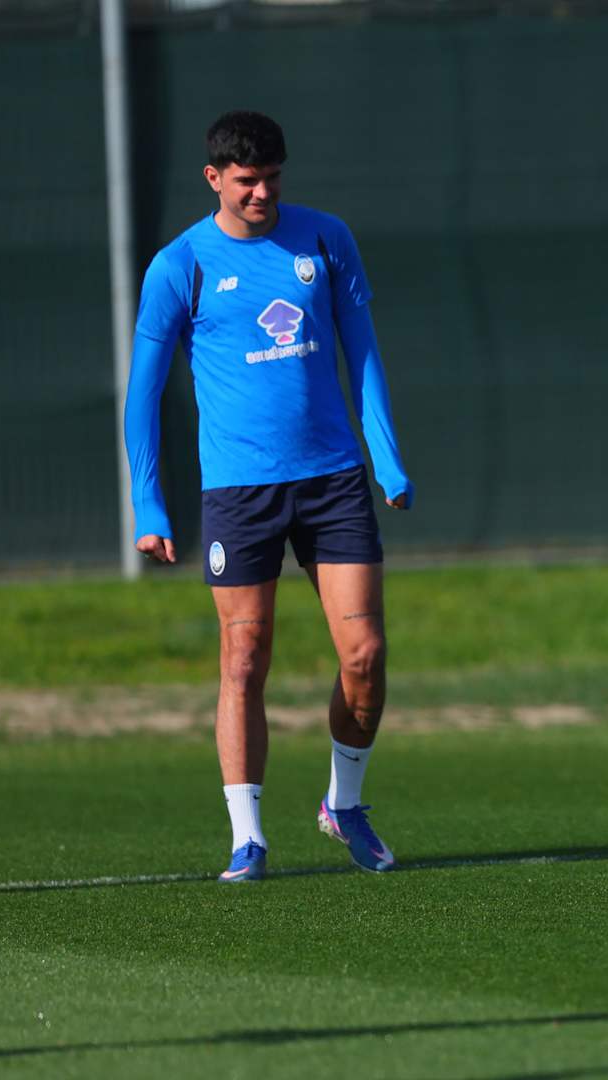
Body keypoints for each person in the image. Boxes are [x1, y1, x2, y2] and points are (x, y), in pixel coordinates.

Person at [123, 111, 415, 883]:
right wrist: (149, 506)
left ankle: (344, 803)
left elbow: (364, 354)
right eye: (247, 181)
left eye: (273, 179)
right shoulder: (179, 265)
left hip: (332, 480)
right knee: (245, 659)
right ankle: (247, 838)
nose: (262, 193)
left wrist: (386, 461)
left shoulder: (325, 239)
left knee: (365, 656)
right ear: (214, 178)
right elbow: (142, 395)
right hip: (239, 490)